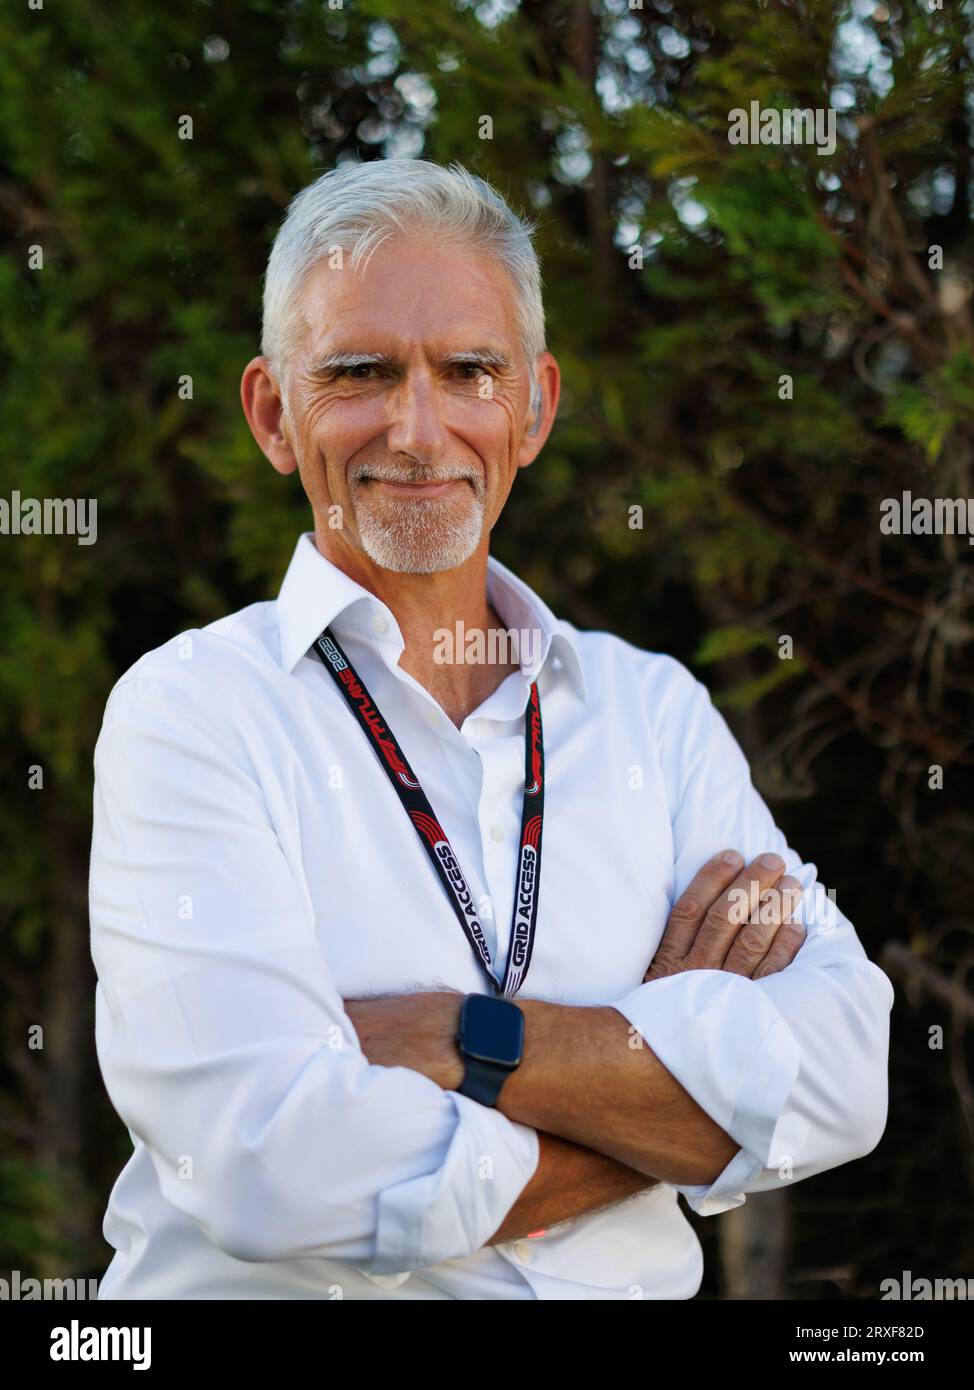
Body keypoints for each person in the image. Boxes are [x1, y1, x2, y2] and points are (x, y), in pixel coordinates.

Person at [89, 159, 893, 1300]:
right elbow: (266, 1163)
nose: (418, 431)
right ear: (273, 414)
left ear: (533, 408)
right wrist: (650, 1084)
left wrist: (465, 1039)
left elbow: (845, 1073)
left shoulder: (652, 713)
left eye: (469, 371)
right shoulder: (191, 712)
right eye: (360, 373)